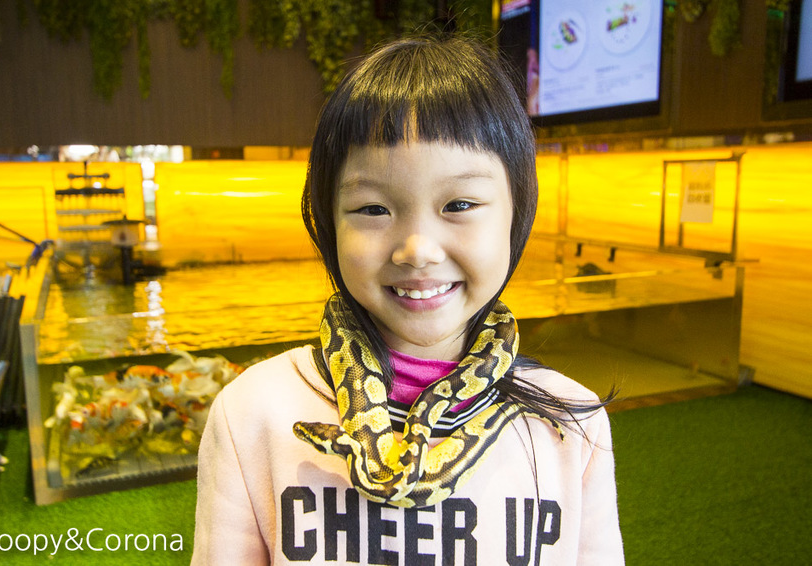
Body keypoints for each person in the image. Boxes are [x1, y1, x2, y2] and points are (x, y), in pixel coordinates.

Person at [192, 35, 624, 565]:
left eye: (460, 203)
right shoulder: (252, 414)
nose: (417, 250)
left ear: (518, 211)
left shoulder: (571, 423)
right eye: (373, 209)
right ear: (327, 221)